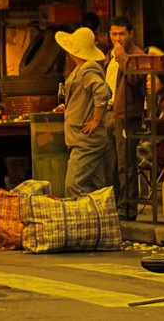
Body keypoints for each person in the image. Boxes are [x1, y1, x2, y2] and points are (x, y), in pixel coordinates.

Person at [55, 27, 112, 199]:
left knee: (74, 185)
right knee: (95, 187)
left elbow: (102, 92)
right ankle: (99, 215)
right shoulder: (82, 69)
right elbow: (86, 97)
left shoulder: (88, 69)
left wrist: (95, 120)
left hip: (85, 138)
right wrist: (69, 108)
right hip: (82, 137)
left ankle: (80, 214)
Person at [107, 16, 147, 219]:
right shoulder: (111, 54)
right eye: (114, 34)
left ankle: (128, 209)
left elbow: (136, 79)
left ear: (131, 34)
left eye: (122, 34)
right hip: (111, 113)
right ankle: (115, 205)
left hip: (128, 115)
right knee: (112, 165)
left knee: (127, 164)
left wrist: (123, 57)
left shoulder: (136, 55)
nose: (118, 38)